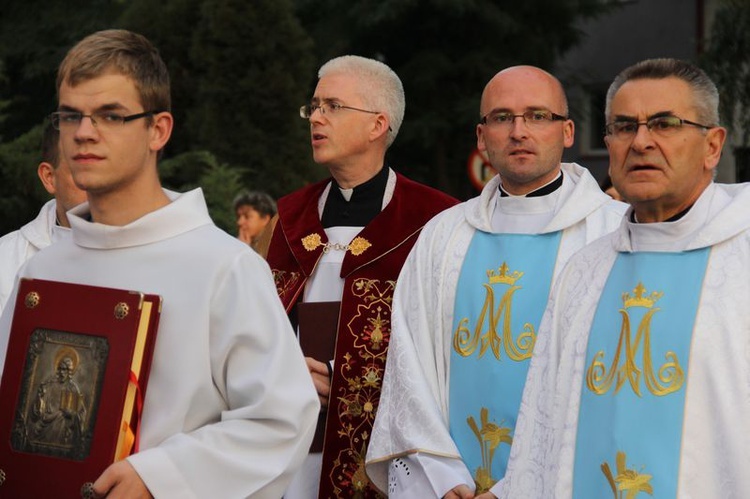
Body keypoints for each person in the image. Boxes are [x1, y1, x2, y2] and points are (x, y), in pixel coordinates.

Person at [0, 29, 318, 498]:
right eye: (71, 116)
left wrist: (163, 475)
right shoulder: (40, 271)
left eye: (111, 115)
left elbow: (279, 419)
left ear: (158, 129)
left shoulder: (223, 267)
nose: (84, 132)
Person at [365, 65, 628, 498]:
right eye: (502, 117)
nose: (518, 131)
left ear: (567, 132)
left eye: (537, 116)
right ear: (481, 136)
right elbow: (408, 368)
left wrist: (517, 488)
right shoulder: (443, 235)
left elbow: (609, 385)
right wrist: (441, 475)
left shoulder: (613, 235)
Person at [499, 58, 747, 498]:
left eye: (665, 124)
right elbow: (543, 428)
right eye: (624, 126)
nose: (642, 142)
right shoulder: (585, 272)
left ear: (713, 146)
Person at [265, 55, 458, 498]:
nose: (315, 117)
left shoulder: (435, 220)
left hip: (384, 449)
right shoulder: (291, 216)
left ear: (377, 125)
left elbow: (443, 343)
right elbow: (262, 324)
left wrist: (342, 373)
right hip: (291, 440)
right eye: (313, 106)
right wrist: (285, 368)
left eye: (332, 106)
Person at [0, 123, 87, 315]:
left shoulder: (154, 251)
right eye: (82, 167)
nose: (97, 182)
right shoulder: (5, 260)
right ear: (49, 177)